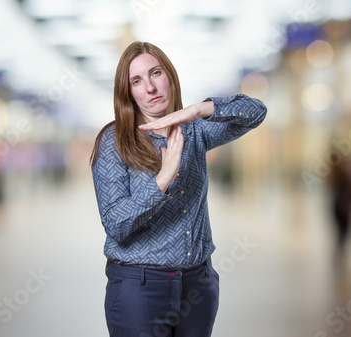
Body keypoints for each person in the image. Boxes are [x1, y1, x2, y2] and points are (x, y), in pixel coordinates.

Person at [89, 41, 267, 337]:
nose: (150, 87)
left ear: (169, 75)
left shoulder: (194, 129)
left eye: (156, 73)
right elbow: (117, 224)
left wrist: (197, 110)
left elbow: (255, 112)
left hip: (197, 285)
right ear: (128, 93)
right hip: (140, 288)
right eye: (137, 81)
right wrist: (164, 178)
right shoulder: (114, 141)